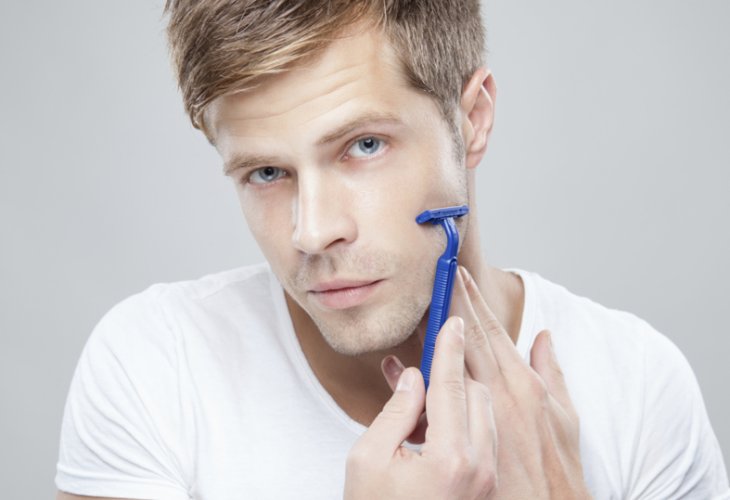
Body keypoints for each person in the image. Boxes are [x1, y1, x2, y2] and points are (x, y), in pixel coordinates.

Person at [56, 1, 728, 498]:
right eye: (266, 172)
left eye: (365, 145)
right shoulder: (157, 366)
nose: (312, 232)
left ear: (472, 120)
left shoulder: (639, 387)